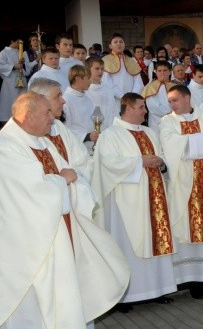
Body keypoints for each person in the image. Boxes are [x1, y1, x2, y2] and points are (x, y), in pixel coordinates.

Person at [0, 91, 128, 328]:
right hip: (30, 244)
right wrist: (62, 180)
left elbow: (71, 174)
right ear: (27, 116)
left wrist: (67, 179)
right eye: (46, 112)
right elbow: (29, 193)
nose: (53, 116)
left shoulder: (42, 141)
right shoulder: (7, 146)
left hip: (59, 232)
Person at [92, 93, 177, 311]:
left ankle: (157, 288)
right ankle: (127, 296)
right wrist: (140, 162)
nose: (145, 111)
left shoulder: (149, 132)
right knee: (128, 245)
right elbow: (108, 164)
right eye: (141, 107)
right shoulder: (111, 134)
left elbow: (163, 156)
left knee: (155, 240)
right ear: (128, 107)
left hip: (154, 194)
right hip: (126, 202)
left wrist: (161, 161)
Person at [159, 85, 203, 299]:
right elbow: (170, 146)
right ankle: (194, 284)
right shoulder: (167, 122)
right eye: (169, 101)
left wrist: (191, 143)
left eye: (175, 100)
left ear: (187, 98)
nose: (171, 104)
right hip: (184, 185)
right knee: (188, 231)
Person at [62, 65, 98, 153]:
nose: (90, 81)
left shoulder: (88, 98)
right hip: (76, 148)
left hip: (91, 146)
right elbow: (65, 128)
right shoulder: (65, 100)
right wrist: (86, 136)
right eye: (88, 78)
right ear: (77, 79)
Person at [102, 33, 144, 107]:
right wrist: (122, 96)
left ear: (124, 44)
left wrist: (132, 96)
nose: (119, 44)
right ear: (110, 46)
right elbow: (106, 82)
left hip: (131, 101)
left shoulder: (131, 61)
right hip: (114, 99)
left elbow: (138, 82)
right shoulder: (105, 61)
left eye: (121, 42)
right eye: (115, 42)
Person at [0, 37, 34, 123]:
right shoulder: (4, 53)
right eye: (19, 42)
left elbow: (26, 68)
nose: (20, 45)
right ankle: (9, 121)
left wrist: (23, 64)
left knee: (22, 100)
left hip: (21, 78)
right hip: (10, 81)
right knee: (11, 100)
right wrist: (14, 66)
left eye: (22, 43)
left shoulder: (20, 53)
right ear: (12, 41)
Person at [85, 57, 120, 131]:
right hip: (93, 132)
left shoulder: (107, 88)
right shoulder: (84, 90)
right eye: (97, 68)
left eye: (102, 69)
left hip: (110, 130)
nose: (100, 71)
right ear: (87, 69)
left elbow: (114, 110)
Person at [141, 61, 174, 134]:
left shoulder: (175, 87)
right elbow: (153, 107)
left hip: (174, 121)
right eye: (159, 71)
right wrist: (170, 113)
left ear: (170, 72)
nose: (162, 73)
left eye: (165, 70)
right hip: (156, 123)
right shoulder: (150, 87)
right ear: (155, 72)